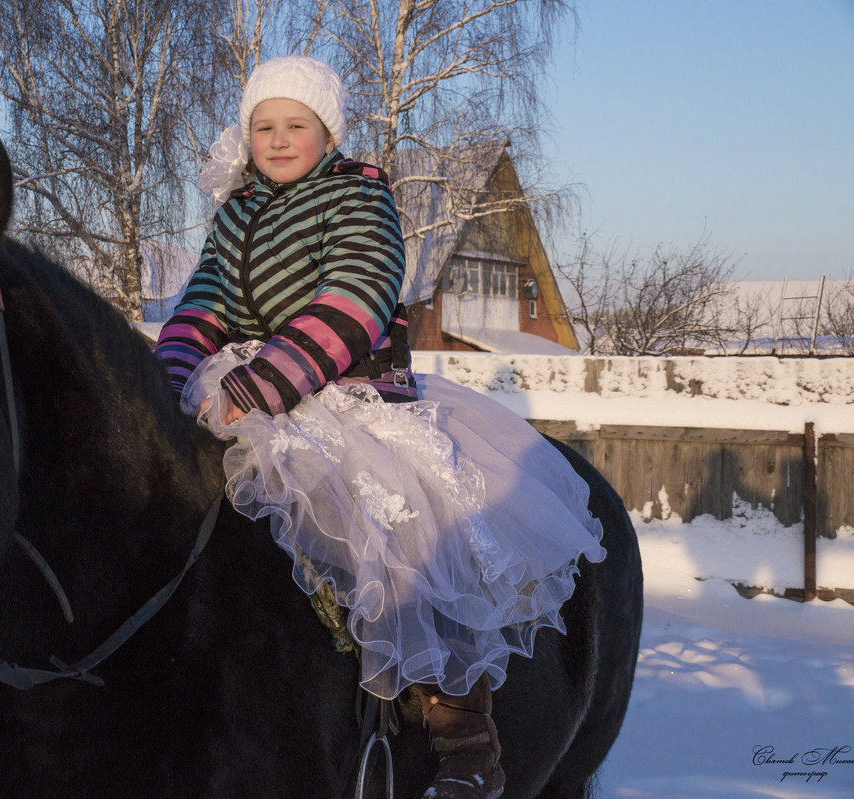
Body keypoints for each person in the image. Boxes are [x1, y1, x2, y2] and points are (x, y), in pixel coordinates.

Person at [155, 55, 605, 799]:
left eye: (295, 124)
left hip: (341, 391)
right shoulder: (235, 212)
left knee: (396, 532)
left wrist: (265, 379)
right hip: (242, 395)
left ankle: (461, 735)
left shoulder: (359, 199)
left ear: (327, 131)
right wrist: (168, 378)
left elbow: (358, 294)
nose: (276, 139)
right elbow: (202, 304)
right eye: (262, 126)